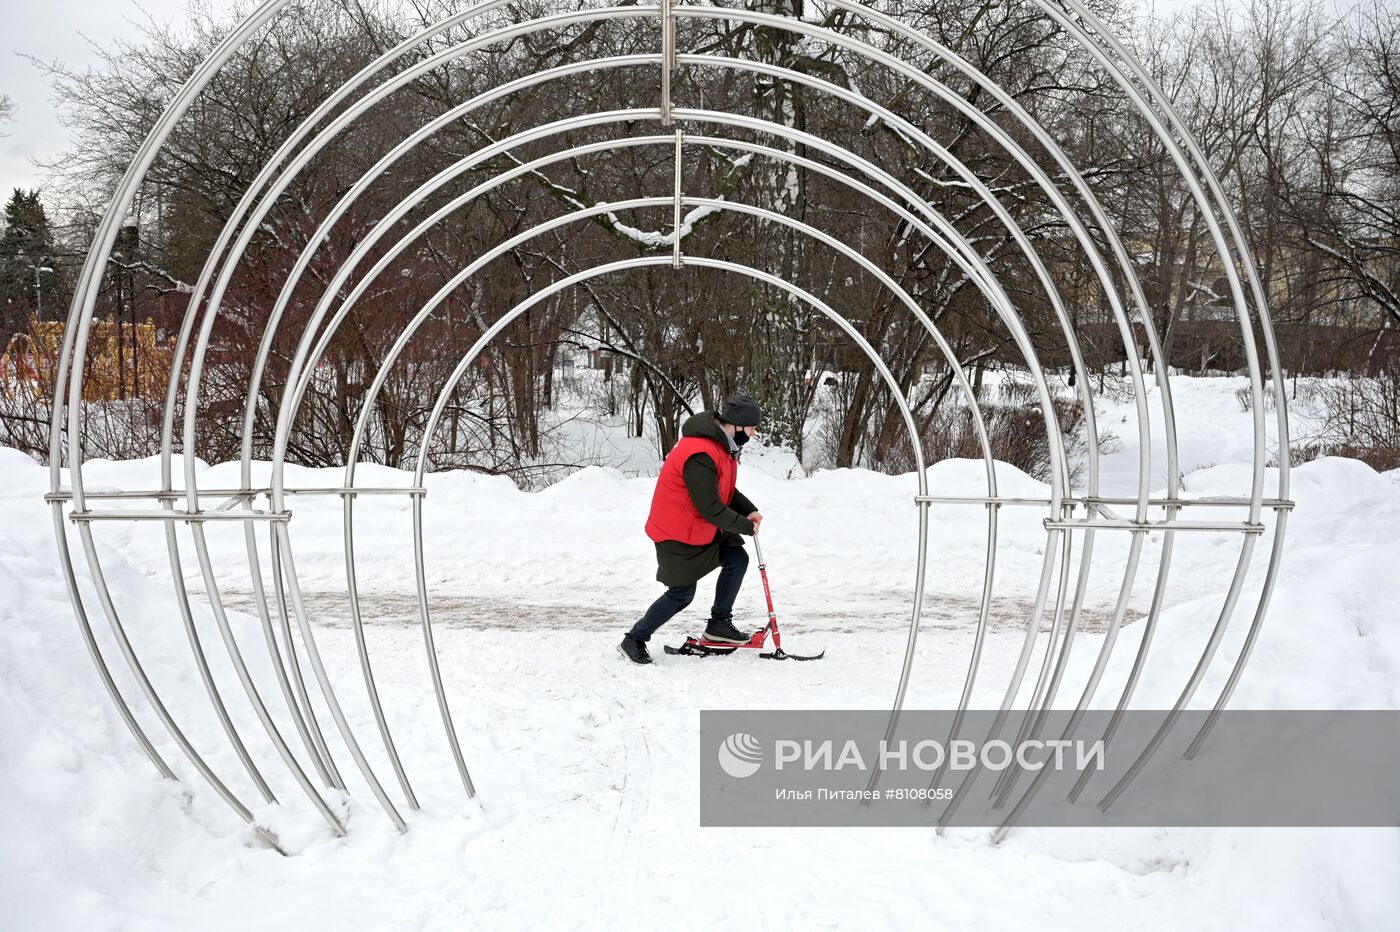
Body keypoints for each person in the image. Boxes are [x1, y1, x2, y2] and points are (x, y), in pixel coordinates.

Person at [618, 394, 764, 665]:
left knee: (736, 559)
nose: (754, 434)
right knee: (681, 594)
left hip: (698, 528)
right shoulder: (700, 453)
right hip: (676, 532)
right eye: (752, 428)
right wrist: (745, 526)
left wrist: (749, 510)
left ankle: (719, 623)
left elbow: (724, 490)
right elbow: (710, 507)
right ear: (737, 425)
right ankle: (634, 638)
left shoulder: (721, 446)